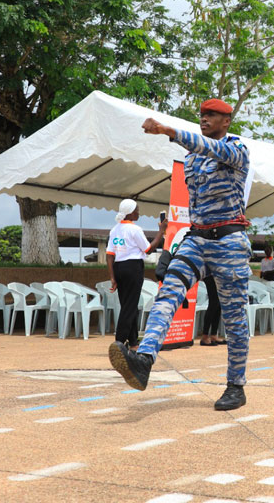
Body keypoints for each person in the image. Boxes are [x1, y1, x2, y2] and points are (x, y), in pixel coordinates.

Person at [108, 98, 252, 412]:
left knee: (235, 319)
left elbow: (211, 149)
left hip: (229, 241)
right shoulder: (191, 160)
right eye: (201, 115)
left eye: (211, 116)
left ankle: (236, 386)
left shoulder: (237, 149)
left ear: (227, 121)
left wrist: (170, 131)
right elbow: (199, 156)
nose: (204, 119)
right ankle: (144, 360)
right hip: (197, 238)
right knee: (168, 292)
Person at [107, 199, 166, 349]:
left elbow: (109, 255)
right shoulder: (135, 229)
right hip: (133, 268)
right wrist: (161, 231)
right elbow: (148, 249)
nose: (138, 212)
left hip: (119, 268)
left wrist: (113, 277)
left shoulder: (114, 229)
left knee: (127, 304)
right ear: (130, 213)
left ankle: (133, 342)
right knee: (130, 306)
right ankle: (119, 342)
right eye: (136, 210)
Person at [199, 276, 226, 346]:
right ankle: (205, 336)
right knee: (213, 303)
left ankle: (214, 335)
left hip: (218, 274)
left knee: (218, 304)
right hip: (210, 275)